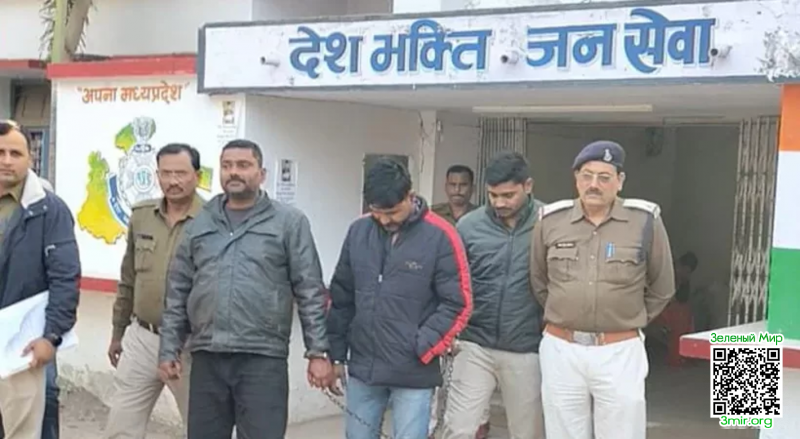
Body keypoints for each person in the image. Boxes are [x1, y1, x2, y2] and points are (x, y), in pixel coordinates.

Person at [158, 139, 332, 439]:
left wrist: (317, 352)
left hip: (262, 357)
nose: (234, 172)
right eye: (227, 166)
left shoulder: (288, 222)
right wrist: (169, 347)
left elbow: (309, 290)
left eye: (243, 165)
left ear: (261, 174)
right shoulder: (201, 222)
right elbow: (178, 289)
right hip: (208, 354)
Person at [530, 140, 676, 439]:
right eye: (587, 176)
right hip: (561, 349)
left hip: (619, 351)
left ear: (620, 181)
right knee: (563, 432)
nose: (593, 184)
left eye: (604, 177)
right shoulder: (551, 220)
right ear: (576, 178)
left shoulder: (644, 220)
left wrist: (625, 318)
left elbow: (663, 286)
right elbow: (539, 281)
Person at [326, 158, 472, 439]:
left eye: (392, 212)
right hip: (363, 369)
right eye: (376, 212)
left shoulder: (442, 235)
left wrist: (422, 345)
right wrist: (336, 355)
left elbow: (458, 303)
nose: (384, 220)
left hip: (414, 372)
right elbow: (341, 297)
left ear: (410, 196)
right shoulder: (358, 231)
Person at [442, 151, 546, 439]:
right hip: (474, 343)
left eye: (508, 195)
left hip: (526, 347)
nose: (499, 203)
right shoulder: (469, 226)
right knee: (458, 429)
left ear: (528, 186)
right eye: (493, 195)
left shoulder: (548, 223)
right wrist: (450, 331)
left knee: (528, 432)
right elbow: (451, 283)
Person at [104, 143, 205, 438]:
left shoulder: (214, 220)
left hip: (192, 345)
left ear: (197, 176)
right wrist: (118, 332)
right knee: (121, 425)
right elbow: (128, 278)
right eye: (165, 173)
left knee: (202, 426)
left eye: (181, 173)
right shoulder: (142, 215)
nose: (173, 181)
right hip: (143, 337)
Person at [0, 120, 80, 439]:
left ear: (30, 158)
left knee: (24, 429)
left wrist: (51, 336)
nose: (7, 160)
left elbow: (65, 278)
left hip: (21, 345)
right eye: (0, 152)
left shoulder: (49, 209)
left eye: (15, 153)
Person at [427, 164, 485, 439]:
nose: (457, 190)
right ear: (446, 186)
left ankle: (478, 424)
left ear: (472, 187)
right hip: (437, 300)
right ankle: (429, 428)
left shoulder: (482, 218)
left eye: (463, 185)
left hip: (473, 302)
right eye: (453, 184)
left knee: (470, 373)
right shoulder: (432, 215)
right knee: (434, 374)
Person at [650, 252, 698, 368]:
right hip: (657, 307)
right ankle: (677, 357)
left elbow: (682, 298)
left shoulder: (682, 278)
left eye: (689, 272)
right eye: (685, 270)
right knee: (680, 319)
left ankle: (685, 354)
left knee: (686, 315)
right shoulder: (666, 272)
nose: (686, 274)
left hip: (671, 308)